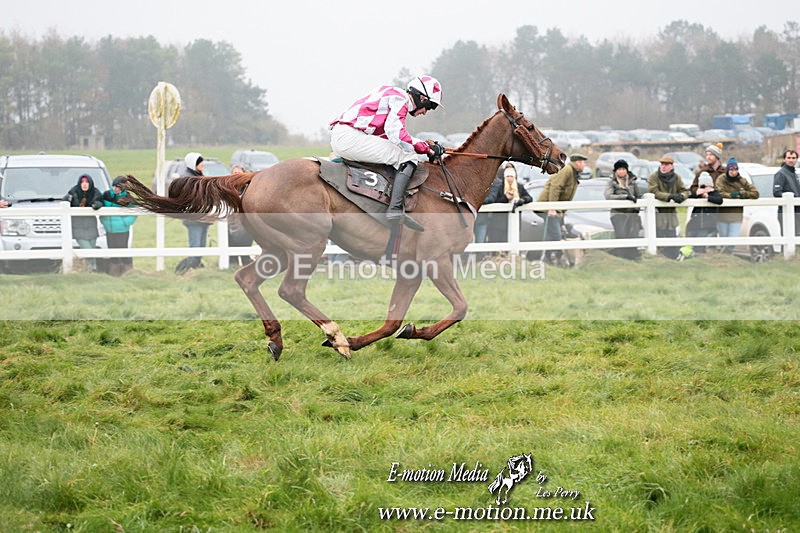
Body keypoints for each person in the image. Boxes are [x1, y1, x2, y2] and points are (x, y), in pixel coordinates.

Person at [329, 75, 444, 232]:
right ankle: (395, 209)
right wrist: (427, 149)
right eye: (430, 106)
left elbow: (389, 136)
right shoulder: (401, 99)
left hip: (346, 135)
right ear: (422, 98)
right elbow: (396, 134)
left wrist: (424, 145)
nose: (426, 112)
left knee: (403, 151)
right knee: (407, 157)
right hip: (350, 137)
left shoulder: (393, 94)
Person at [536, 153, 587, 264]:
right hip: (547, 207)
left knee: (554, 234)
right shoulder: (567, 170)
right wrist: (552, 207)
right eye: (583, 163)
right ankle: (553, 258)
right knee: (556, 236)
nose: (585, 165)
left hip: (555, 209)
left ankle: (550, 259)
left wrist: (561, 215)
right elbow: (555, 187)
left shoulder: (573, 172)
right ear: (577, 162)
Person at [175, 152, 211, 274]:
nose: (202, 164)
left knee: (201, 246)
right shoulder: (188, 178)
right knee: (195, 246)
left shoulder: (198, 175)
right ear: (193, 164)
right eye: (200, 162)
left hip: (202, 217)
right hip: (194, 218)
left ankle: (194, 269)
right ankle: (185, 270)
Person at [647, 156, 688, 260]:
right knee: (659, 241)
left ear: (671, 166)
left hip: (671, 216)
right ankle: (660, 260)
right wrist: (669, 196)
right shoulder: (654, 177)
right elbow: (654, 192)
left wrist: (681, 196)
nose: (663, 167)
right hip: (658, 215)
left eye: (666, 165)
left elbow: (684, 190)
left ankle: (673, 260)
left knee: (672, 240)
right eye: (662, 164)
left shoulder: (677, 178)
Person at [716, 157, 759, 253]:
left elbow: (755, 193)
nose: (733, 172)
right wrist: (731, 195)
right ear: (727, 169)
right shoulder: (721, 179)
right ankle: (723, 261)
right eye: (731, 169)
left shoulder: (742, 180)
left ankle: (725, 259)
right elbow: (719, 193)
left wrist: (743, 194)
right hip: (722, 215)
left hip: (736, 216)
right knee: (724, 241)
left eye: (735, 169)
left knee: (731, 242)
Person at [603, 159, 642, 260]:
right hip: (618, 212)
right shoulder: (611, 182)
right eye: (619, 169)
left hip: (632, 213)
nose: (621, 171)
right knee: (621, 234)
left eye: (623, 169)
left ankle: (632, 257)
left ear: (627, 170)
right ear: (615, 171)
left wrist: (637, 206)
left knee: (633, 234)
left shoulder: (632, 182)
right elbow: (608, 196)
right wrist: (625, 197)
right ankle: (620, 258)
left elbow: (638, 196)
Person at [64, 174, 104, 272]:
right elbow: (64, 202)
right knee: (88, 250)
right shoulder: (73, 192)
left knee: (92, 250)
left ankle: (91, 271)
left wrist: (97, 205)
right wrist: (68, 199)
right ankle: (92, 270)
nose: (85, 184)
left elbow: (100, 201)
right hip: (78, 227)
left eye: (87, 182)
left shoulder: (95, 192)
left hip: (91, 226)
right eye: (82, 182)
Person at [100, 176, 137, 276]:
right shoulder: (106, 195)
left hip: (122, 230)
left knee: (123, 249)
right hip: (109, 229)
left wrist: (124, 223)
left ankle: (128, 272)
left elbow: (134, 212)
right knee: (112, 250)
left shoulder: (128, 198)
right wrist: (103, 220)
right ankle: (114, 274)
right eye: (114, 186)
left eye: (118, 187)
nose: (115, 189)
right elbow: (100, 206)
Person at [685, 171, 723, 255]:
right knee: (690, 241)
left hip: (708, 224)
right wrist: (697, 193)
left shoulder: (714, 193)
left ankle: (700, 258)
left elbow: (719, 200)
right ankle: (689, 257)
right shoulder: (697, 194)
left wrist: (708, 196)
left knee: (700, 243)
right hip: (695, 223)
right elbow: (687, 199)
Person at [227, 164, 254, 267]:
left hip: (245, 218)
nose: (236, 174)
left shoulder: (248, 186)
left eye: (239, 172)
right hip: (232, 218)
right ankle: (232, 265)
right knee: (231, 242)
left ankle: (246, 263)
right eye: (234, 172)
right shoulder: (228, 186)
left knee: (245, 241)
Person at [772, 149, 800, 236]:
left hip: (797, 212)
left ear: (796, 159)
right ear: (784, 159)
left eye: (793, 158)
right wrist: (792, 198)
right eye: (789, 157)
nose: (791, 160)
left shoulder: (794, 174)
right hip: (786, 212)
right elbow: (776, 192)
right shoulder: (781, 174)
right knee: (789, 237)